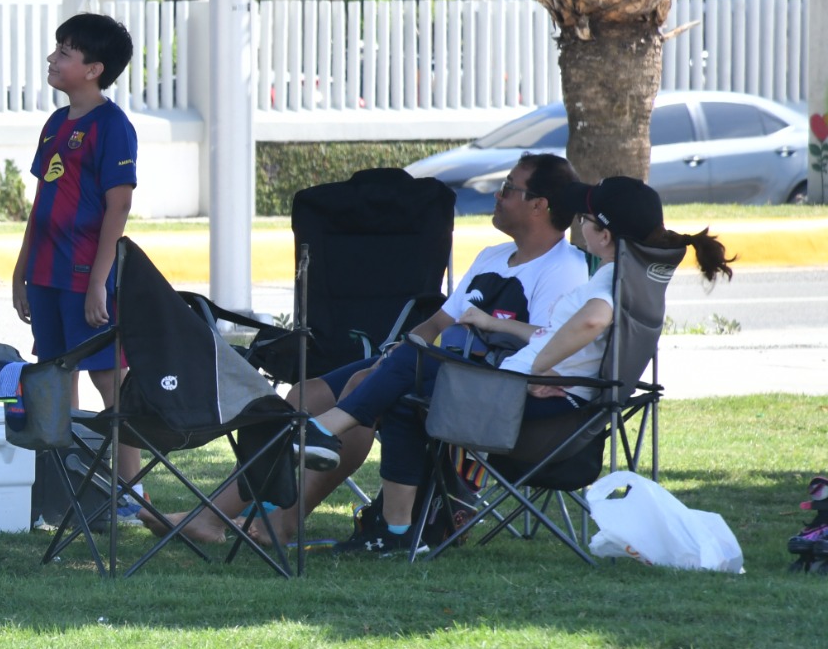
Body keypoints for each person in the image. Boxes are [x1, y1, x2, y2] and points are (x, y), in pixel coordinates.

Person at [149, 150, 587, 548]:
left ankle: (253, 519)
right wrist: (404, 350)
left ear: (539, 204)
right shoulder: (493, 256)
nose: (499, 194)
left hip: (488, 390)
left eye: (510, 188)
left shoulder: (562, 270)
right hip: (437, 367)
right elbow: (438, 322)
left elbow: (550, 345)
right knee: (304, 395)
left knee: (365, 385)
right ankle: (245, 519)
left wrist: (444, 347)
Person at [299, 174, 733, 557]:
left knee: (411, 361)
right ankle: (397, 533)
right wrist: (496, 326)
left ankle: (325, 431)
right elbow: (569, 335)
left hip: (516, 399)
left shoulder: (608, 280)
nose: (577, 223)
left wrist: (533, 372)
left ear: (602, 234)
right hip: (538, 393)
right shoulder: (631, 275)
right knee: (405, 393)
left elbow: (592, 320)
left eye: (585, 218)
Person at [10, 13, 139, 495]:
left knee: (110, 379)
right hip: (45, 274)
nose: (52, 58)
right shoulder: (55, 123)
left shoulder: (113, 126)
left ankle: (132, 491)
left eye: (65, 52)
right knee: (56, 377)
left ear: (93, 69)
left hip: (85, 276)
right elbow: (42, 201)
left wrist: (97, 283)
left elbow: (119, 206)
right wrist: (22, 272)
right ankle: (68, 487)